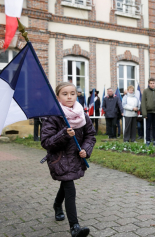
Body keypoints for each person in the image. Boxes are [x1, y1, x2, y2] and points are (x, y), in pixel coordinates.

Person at [40, 82, 96, 237]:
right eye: (65, 94)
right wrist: (64, 134)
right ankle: (75, 227)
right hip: (59, 158)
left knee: (66, 183)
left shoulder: (82, 115)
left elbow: (90, 136)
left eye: (72, 93)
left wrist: (86, 149)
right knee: (70, 188)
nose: (69, 96)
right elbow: (46, 142)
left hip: (76, 158)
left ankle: (57, 205)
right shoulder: (53, 117)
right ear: (58, 97)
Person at [141, 78, 155, 146]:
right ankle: (147, 140)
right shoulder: (145, 91)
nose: (152, 84)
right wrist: (144, 113)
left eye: (153, 83)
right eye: (151, 83)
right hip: (148, 112)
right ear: (148, 84)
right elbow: (143, 103)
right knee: (148, 127)